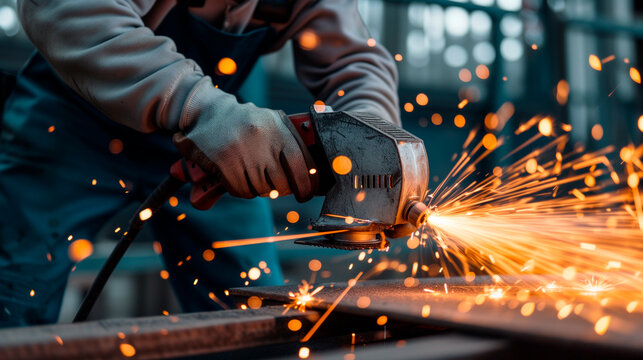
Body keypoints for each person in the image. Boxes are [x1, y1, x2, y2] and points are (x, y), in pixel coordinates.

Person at [0, 0, 399, 327]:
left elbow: (355, 63)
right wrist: (201, 108)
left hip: (224, 144)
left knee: (252, 313)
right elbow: (68, 8)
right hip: (73, 126)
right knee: (14, 294)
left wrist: (375, 135)